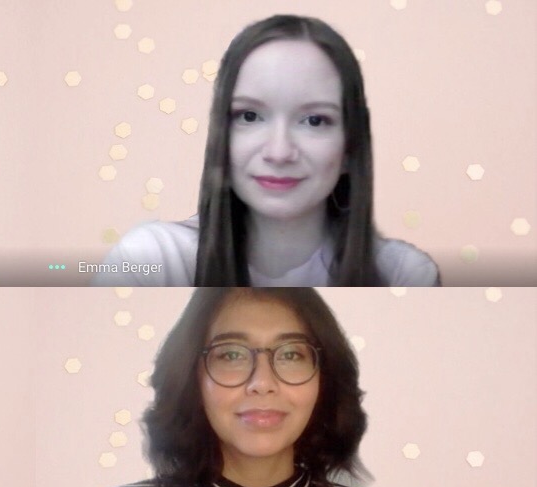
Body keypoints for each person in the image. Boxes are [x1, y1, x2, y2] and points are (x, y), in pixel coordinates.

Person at [63, 288, 402, 487]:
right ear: (191, 378)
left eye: (291, 354)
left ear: (323, 380)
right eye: (231, 354)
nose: (263, 383)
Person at [93, 15, 438, 287]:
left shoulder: (403, 275)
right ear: (222, 136)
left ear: (350, 147)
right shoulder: (152, 259)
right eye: (249, 116)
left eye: (315, 120)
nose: (279, 152)